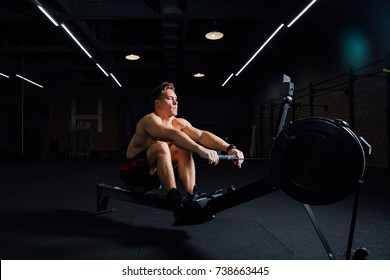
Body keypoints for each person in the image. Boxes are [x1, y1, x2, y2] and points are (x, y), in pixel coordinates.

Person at [120, 82, 244, 221]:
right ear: (157, 103)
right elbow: (172, 135)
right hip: (132, 172)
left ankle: (192, 195)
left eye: (176, 99)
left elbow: (202, 135)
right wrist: (201, 149)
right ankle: (174, 200)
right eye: (170, 98)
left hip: (155, 175)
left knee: (182, 148)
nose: (175, 102)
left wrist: (229, 148)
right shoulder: (149, 120)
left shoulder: (178, 122)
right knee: (161, 146)